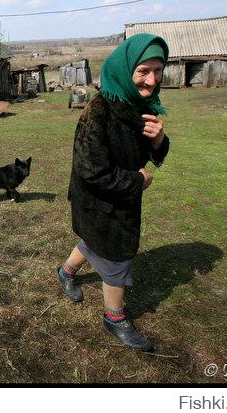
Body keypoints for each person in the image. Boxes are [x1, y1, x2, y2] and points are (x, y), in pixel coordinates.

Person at [57, 33, 170, 352]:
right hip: (98, 200)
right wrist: (137, 180)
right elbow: (91, 171)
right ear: (125, 69)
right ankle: (114, 317)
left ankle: (65, 272)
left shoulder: (139, 105)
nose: (151, 81)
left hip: (118, 198)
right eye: (143, 71)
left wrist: (158, 141)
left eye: (158, 71)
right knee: (116, 257)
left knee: (94, 241)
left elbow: (151, 153)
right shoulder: (99, 111)